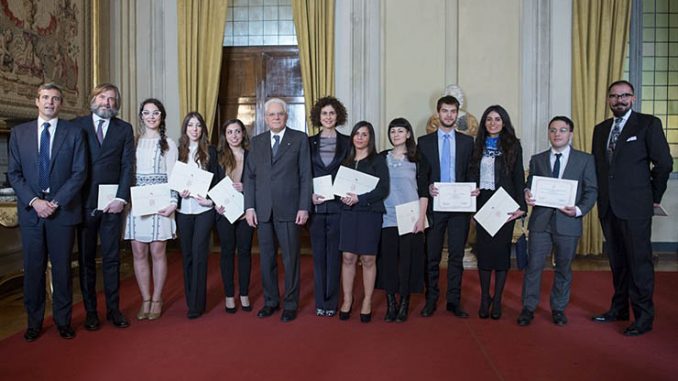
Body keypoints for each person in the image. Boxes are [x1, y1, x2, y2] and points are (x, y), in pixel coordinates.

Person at [591, 80, 672, 336]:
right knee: (618, 262)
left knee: (639, 263)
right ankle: (619, 309)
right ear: (608, 100)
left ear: (633, 98)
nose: (619, 100)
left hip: (636, 207)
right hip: (608, 207)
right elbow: (600, 168)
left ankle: (643, 317)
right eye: (614, 96)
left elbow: (664, 164)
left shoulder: (648, 124)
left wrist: (653, 196)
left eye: (625, 96)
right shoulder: (601, 129)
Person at [8, 82, 87, 341]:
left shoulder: (74, 133)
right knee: (33, 269)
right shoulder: (19, 134)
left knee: (63, 269)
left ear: (60, 103)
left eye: (55, 98)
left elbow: (79, 172)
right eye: (45, 97)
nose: (49, 102)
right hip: (32, 212)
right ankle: (34, 322)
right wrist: (34, 201)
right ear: (36, 101)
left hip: (62, 212)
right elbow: (14, 173)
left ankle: (63, 321)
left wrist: (55, 202)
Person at [518, 116, 597, 327]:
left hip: (568, 222)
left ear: (570, 134)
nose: (557, 134)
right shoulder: (538, 159)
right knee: (533, 266)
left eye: (562, 130)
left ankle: (559, 308)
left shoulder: (585, 160)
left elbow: (591, 190)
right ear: (548, 133)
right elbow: (530, 182)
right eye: (553, 130)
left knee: (563, 267)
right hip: (541, 223)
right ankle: (528, 307)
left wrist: (579, 210)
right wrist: (527, 192)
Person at [72, 83, 134, 330]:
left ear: (116, 103)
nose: (106, 102)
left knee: (111, 259)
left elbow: (127, 165)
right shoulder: (77, 126)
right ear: (93, 98)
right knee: (86, 260)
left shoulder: (124, 129)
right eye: (102, 97)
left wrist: (121, 198)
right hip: (84, 204)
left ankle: (113, 309)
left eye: (111, 99)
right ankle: (90, 312)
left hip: (112, 204)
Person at [244, 98, 312, 322]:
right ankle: (271, 301)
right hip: (263, 211)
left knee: (291, 259)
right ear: (265, 118)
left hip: (290, 210)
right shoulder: (257, 142)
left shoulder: (299, 139)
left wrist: (304, 207)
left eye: (279, 114)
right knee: (266, 260)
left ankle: (291, 304)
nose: (275, 117)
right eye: (271, 114)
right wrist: (249, 207)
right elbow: (250, 178)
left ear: (286, 115)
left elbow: (305, 176)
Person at [417, 95, 475, 318]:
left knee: (456, 256)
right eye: (445, 111)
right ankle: (431, 299)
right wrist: (428, 187)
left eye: (453, 111)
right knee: (431, 255)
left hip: (460, 207)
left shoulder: (467, 142)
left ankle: (454, 300)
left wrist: (473, 188)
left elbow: (471, 171)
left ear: (457, 114)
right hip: (435, 206)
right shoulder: (424, 142)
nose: (449, 115)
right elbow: (422, 176)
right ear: (437, 113)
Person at [469, 105, 526, 320]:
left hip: (505, 203)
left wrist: (521, 206)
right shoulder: (477, 145)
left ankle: (498, 299)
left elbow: (519, 176)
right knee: (484, 252)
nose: (493, 123)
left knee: (501, 253)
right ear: (484, 123)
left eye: (498, 119)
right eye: (489, 119)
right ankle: (485, 298)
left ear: (504, 122)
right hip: (482, 202)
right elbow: (470, 174)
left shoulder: (513, 145)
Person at [124, 98, 178, 321]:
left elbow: (174, 177)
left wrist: (173, 202)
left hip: (160, 201)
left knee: (157, 252)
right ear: (141, 116)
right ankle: (145, 298)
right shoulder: (133, 142)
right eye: (147, 113)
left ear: (162, 117)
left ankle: (157, 298)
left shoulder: (169, 144)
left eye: (156, 113)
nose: (151, 117)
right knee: (138, 252)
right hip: (137, 202)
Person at [337, 121, 389, 323]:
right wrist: (340, 195)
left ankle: (367, 300)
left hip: (369, 214)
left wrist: (360, 198)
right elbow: (337, 185)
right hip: (348, 213)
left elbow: (383, 189)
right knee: (348, 257)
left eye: (364, 134)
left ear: (370, 138)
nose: (359, 137)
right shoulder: (346, 160)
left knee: (368, 259)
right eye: (356, 134)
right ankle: (347, 300)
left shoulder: (377, 160)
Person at [377, 118, 428, 323]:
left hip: (411, 217)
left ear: (408, 134)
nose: (395, 134)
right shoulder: (381, 157)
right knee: (388, 262)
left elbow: (424, 191)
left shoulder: (418, 158)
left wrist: (421, 218)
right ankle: (391, 304)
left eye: (400, 131)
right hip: (387, 216)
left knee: (408, 262)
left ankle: (405, 303)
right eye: (392, 131)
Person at [308, 96, 351, 317]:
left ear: (338, 116)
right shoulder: (308, 142)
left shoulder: (348, 142)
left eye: (332, 113)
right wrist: (309, 196)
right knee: (318, 257)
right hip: (316, 208)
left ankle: (331, 302)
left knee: (335, 256)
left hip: (338, 207)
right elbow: (304, 175)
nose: (328, 117)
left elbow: (353, 173)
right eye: (324, 113)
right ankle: (320, 302)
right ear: (318, 116)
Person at [176, 112, 219, 319]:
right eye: (190, 125)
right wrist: (178, 191)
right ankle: (190, 298)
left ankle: (197, 304)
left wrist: (210, 200)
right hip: (183, 210)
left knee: (200, 254)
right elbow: (172, 180)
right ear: (185, 129)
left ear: (203, 129)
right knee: (187, 256)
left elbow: (218, 181)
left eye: (198, 125)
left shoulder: (210, 151)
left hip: (204, 210)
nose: (194, 129)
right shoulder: (177, 151)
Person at [215, 119, 255, 313]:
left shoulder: (251, 156)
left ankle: (245, 294)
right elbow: (211, 183)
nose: (234, 136)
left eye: (237, 131)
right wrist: (215, 203)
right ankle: (229, 295)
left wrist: (246, 187)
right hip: (224, 213)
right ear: (225, 135)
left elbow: (259, 181)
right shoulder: (218, 156)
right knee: (227, 253)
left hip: (245, 212)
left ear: (243, 134)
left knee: (245, 252)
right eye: (230, 132)